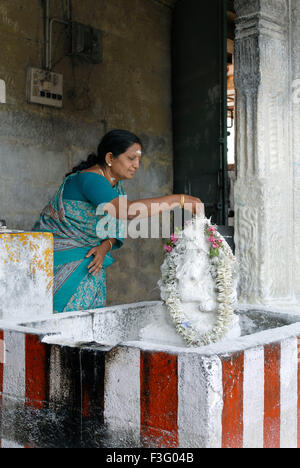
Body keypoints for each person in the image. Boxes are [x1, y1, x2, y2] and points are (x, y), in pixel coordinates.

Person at [33, 129, 203, 313]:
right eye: (131, 158)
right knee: (58, 328)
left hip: (90, 262)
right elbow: (127, 211)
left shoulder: (115, 186)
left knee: (84, 329)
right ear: (110, 158)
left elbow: (114, 227)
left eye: (139, 159)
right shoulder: (90, 179)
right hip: (61, 262)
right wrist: (178, 200)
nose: (137, 165)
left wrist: (105, 246)